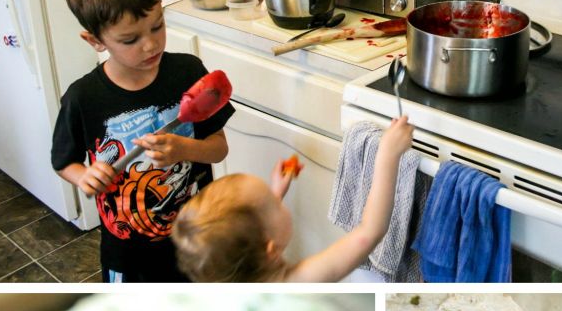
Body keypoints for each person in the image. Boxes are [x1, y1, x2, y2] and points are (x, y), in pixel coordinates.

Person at [51, 0, 233, 282]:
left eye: (157, 26)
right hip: (129, 254)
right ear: (95, 40)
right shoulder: (83, 98)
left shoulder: (188, 72)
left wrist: (184, 149)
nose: (150, 45)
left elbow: (219, 148)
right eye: (130, 39)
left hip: (200, 239)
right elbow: (65, 161)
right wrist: (84, 177)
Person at [172, 117, 414, 282]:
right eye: (274, 202)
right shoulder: (303, 279)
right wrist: (387, 155)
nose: (277, 198)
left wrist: (276, 191)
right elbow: (369, 232)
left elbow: (252, 232)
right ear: (270, 248)